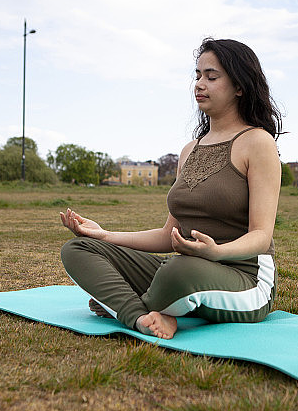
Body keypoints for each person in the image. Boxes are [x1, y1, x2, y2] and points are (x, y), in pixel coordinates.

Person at [60, 38, 283, 339]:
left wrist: (217, 253)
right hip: (185, 267)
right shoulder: (189, 150)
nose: (199, 84)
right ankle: (141, 317)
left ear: (240, 86)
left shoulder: (258, 143)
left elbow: (261, 235)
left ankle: (128, 305)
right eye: (197, 75)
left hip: (246, 278)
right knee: (78, 249)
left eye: (212, 77)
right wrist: (105, 235)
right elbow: (169, 235)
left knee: (178, 271)